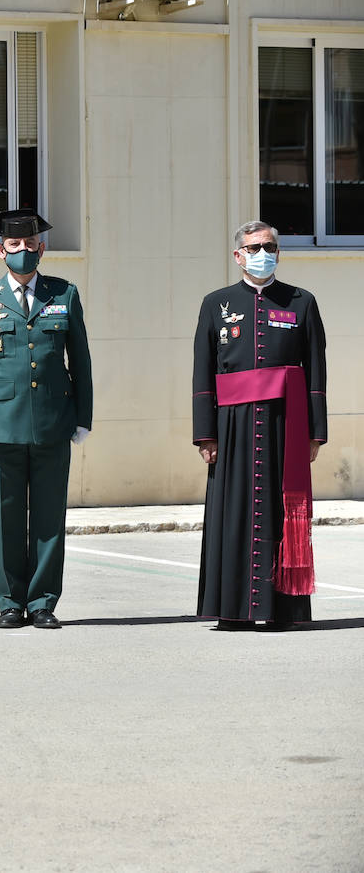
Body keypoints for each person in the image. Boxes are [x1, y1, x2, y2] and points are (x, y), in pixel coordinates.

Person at [0, 209, 93, 630]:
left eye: (30, 245)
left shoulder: (64, 294)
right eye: (14, 246)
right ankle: (10, 602)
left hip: (54, 420)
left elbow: (82, 361)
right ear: (1, 251)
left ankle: (42, 602)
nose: (23, 252)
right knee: (7, 516)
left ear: (42, 248)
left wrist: (83, 417)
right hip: (2, 422)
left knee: (50, 518)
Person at [193, 220, 327, 632]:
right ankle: (232, 609)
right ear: (238, 255)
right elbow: (203, 371)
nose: (261, 253)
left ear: (278, 252)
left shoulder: (301, 301)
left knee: (280, 511)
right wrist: (206, 433)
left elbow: (317, 369)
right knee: (231, 513)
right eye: (252, 248)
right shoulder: (216, 303)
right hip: (232, 425)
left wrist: (315, 432)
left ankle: (283, 609)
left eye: (268, 246)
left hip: (285, 423)